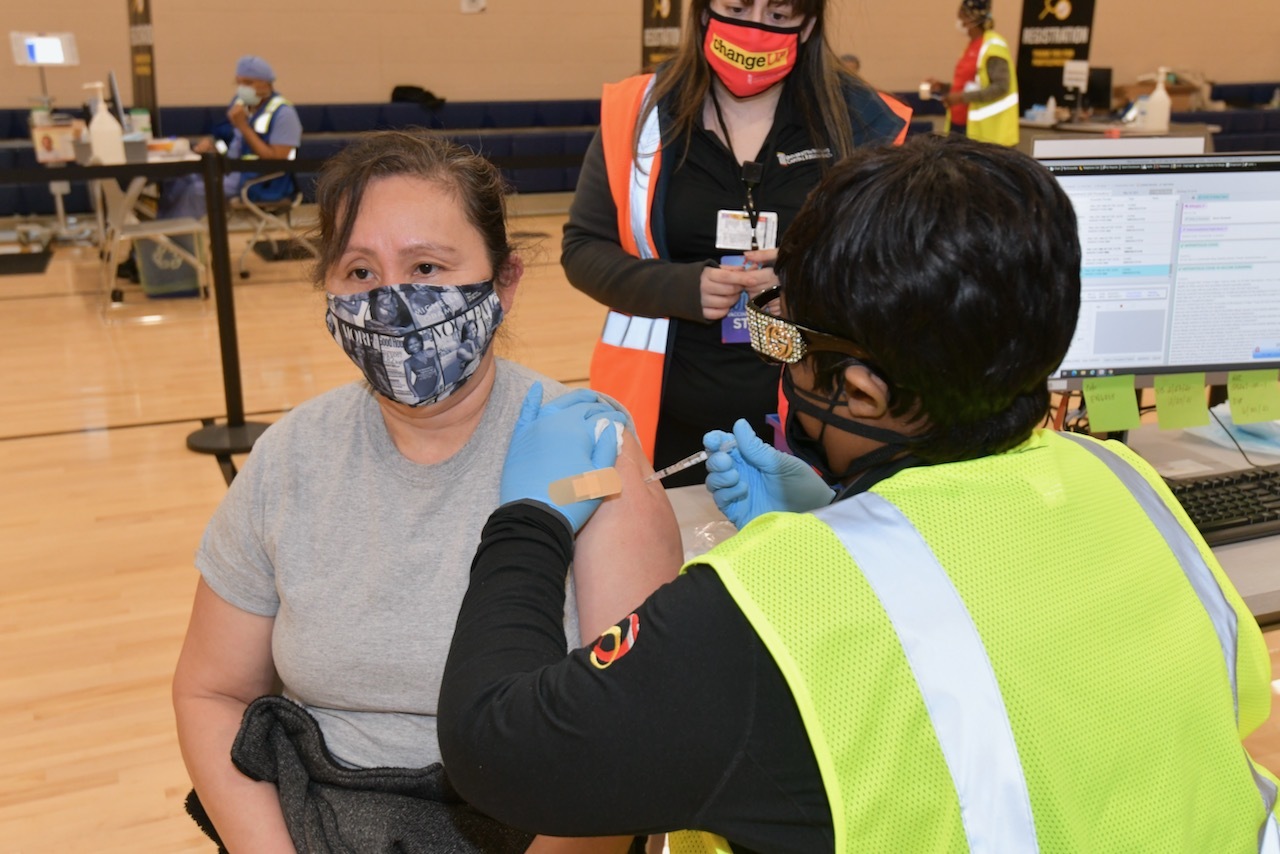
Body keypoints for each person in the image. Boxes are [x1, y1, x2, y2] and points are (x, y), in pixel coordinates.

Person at [438, 135, 1279, 851]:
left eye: (792, 340)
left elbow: (494, 749)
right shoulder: (1125, 482)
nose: (781, 352)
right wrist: (845, 522)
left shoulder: (764, 613)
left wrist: (530, 518)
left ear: (864, 393)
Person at [172, 129, 682, 853]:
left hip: (529, 823)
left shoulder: (588, 447)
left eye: (427, 266)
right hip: (317, 814)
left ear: (504, 284)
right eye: (359, 273)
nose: (393, 301)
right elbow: (212, 692)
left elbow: (628, 733)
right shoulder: (291, 455)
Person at [561, 0, 912, 486]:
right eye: (737, 7)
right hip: (660, 419)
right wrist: (682, 287)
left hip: (819, 424)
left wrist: (803, 280)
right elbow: (583, 247)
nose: (754, 29)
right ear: (705, 13)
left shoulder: (867, 124)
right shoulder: (639, 111)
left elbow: (900, 269)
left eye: (779, 14)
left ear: (807, 23)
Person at [157, 55, 303, 220]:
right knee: (179, 179)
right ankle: (160, 232)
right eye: (239, 82)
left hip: (259, 181)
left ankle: (180, 240)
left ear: (266, 84)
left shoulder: (284, 113)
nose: (242, 88)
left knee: (197, 191)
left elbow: (277, 159)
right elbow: (226, 141)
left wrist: (243, 126)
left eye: (248, 83)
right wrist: (211, 146)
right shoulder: (240, 105)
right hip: (229, 169)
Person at [926, 0, 1019, 146]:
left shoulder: (993, 46)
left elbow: (1001, 87)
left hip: (986, 134)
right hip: (960, 126)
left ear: (972, 19)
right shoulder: (971, 46)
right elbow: (973, 85)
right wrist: (943, 87)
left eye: (961, 16)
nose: (959, 21)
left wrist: (961, 97)